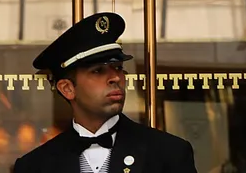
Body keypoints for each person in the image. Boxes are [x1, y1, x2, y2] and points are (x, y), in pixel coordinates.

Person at [13, 12, 197, 173]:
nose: (115, 78)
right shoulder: (35, 166)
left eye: (118, 68)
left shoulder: (169, 154)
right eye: (98, 71)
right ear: (67, 88)